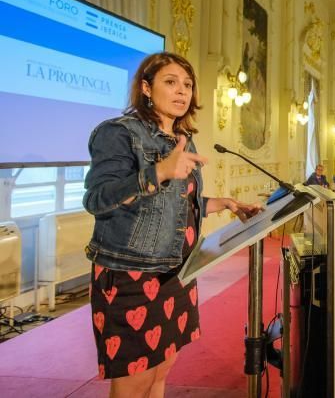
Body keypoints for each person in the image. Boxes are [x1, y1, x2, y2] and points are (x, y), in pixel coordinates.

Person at [83, 52, 264, 394]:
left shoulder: (180, 138)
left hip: (177, 271)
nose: (182, 91)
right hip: (132, 273)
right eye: (170, 82)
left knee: (162, 370)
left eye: (187, 84)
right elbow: (97, 199)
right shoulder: (118, 133)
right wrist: (159, 171)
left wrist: (219, 204)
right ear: (146, 88)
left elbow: (173, 206)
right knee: (135, 378)